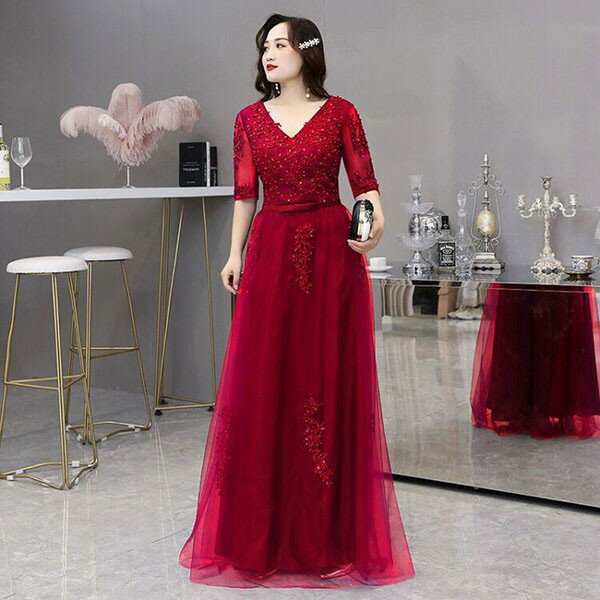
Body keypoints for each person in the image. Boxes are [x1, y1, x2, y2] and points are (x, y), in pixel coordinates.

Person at [179, 13, 415, 588]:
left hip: (333, 255)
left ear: (308, 51)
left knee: (327, 381)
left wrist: (374, 227)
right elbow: (245, 194)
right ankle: (262, 534)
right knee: (266, 382)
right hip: (272, 251)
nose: (269, 53)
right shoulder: (248, 120)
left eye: (281, 44)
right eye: (265, 45)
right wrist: (234, 255)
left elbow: (365, 187)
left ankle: (328, 535)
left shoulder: (341, 113)